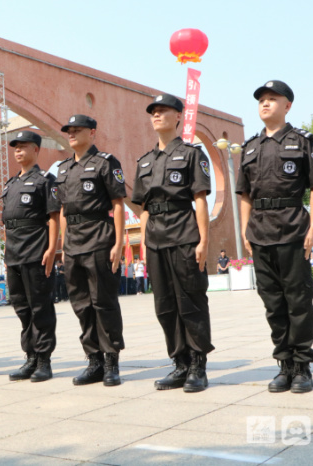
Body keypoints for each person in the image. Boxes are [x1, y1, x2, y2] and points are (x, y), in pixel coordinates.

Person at [236, 80, 313, 394]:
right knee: (273, 303)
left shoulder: (302, 140)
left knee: (298, 300)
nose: (265, 103)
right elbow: (244, 194)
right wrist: (245, 231)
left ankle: (302, 367)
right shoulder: (250, 147)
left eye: (272, 99)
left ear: (287, 105)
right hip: (259, 232)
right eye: (261, 99)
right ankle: (284, 365)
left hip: (292, 229)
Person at [132, 93, 214, 392]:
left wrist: (204, 241)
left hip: (184, 234)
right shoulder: (144, 162)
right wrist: (142, 244)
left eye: (163, 110)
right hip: (155, 239)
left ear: (178, 116)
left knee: (190, 301)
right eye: (153, 111)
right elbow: (142, 208)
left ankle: (197, 364)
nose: (157, 115)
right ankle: (179, 363)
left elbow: (200, 200)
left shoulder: (192, 154)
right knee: (164, 305)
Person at [56, 114, 126, 387]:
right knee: (81, 304)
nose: (71, 134)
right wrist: (63, 243)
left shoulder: (105, 163)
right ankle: (94, 359)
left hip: (99, 237)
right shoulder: (62, 169)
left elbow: (118, 203)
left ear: (92, 133)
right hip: (73, 243)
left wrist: (119, 243)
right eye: (69, 130)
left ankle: (111, 360)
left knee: (103, 302)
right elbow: (63, 209)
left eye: (77, 130)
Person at [1, 130, 60, 383]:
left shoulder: (46, 180)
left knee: (40, 307)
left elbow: (54, 217)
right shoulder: (10, 184)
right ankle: (31, 357)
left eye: (24, 146)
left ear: (36, 150)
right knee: (22, 308)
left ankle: (44, 360)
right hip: (13, 253)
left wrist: (52, 249)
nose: (18, 150)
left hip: (36, 250)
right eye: (15, 147)